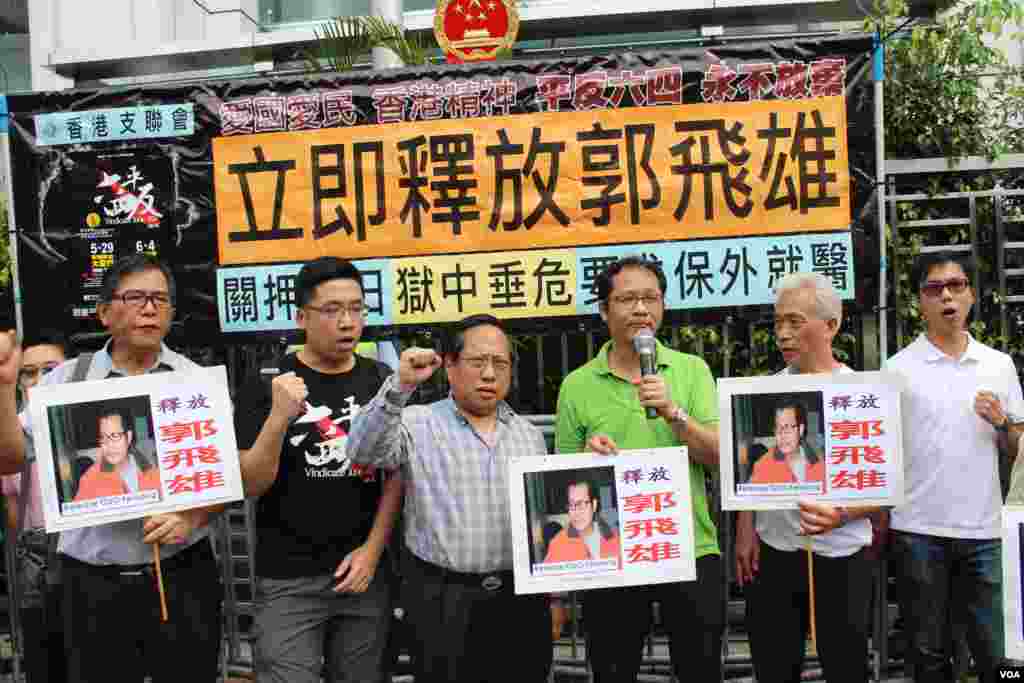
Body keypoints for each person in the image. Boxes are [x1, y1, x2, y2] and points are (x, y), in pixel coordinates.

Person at [0, 254, 223, 683]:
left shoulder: (196, 382)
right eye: (135, 297)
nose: (149, 308)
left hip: (180, 573)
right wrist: (3, 385)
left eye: (160, 298)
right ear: (104, 312)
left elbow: (226, 483)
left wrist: (190, 517)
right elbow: (10, 457)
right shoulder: (64, 381)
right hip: (91, 582)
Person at [347, 314, 552, 683]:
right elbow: (363, 451)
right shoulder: (416, 423)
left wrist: (551, 598)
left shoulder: (529, 436)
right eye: (477, 362)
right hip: (441, 600)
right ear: (451, 366)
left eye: (500, 363)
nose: (489, 374)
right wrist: (399, 387)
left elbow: (545, 524)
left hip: (519, 600)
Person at [554, 255, 723, 682]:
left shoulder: (692, 370)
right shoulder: (577, 384)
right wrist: (586, 461)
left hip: (688, 546)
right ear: (604, 310)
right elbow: (561, 485)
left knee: (700, 667)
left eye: (651, 298)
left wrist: (673, 412)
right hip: (610, 555)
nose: (642, 309)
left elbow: (720, 456)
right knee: (613, 669)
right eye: (628, 299)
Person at [235, 257, 402, 683]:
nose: (347, 322)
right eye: (331, 310)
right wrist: (278, 417)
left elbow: (397, 476)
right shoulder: (266, 383)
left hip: (364, 576)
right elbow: (250, 483)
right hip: (287, 579)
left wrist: (373, 551)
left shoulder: (381, 381)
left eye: (356, 308)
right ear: (301, 316)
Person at [885, 252, 1023, 683]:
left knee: (999, 658)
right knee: (928, 657)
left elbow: (1019, 449)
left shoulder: (998, 365)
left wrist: (1002, 422)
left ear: (971, 295)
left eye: (956, 285)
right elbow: (883, 453)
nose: (947, 295)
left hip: (985, 532)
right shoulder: (897, 370)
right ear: (919, 302)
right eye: (934, 288)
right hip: (917, 531)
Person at [735, 272, 878, 683]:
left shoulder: (864, 393)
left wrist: (845, 514)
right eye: (778, 322)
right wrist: (747, 529)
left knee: (846, 664)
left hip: (842, 553)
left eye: (795, 322)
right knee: (774, 663)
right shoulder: (763, 392)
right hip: (775, 549)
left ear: (831, 325)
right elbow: (749, 472)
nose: (782, 333)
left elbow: (888, 489)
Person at [2, 330, 68, 683]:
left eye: (51, 368)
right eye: (28, 372)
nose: (39, 380)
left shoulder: (94, 426)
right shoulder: (10, 436)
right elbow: (14, 517)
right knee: (45, 664)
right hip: (37, 565)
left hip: (91, 564)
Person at [73, 406, 160, 502]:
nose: (108, 444)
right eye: (103, 437)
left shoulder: (153, 473)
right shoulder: (90, 481)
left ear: (129, 437)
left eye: (115, 436)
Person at [748, 398, 825, 486]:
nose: (782, 435)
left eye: (788, 427)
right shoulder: (762, 467)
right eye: (778, 427)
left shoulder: (819, 464)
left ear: (801, 430)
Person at [544, 478, 621, 563]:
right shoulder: (558, 545)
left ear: (594, 505)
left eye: (581, 504)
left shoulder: (615, 539)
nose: (576, 512)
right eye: (571, 505)